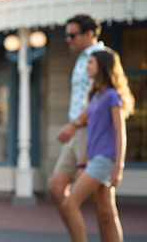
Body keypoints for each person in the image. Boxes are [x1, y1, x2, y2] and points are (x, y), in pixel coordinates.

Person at [61, 49, 134, 242]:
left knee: (70, 204)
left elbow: (120, 133)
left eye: (90, 63)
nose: (87, 66)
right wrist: (82, 164)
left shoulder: (112, 96)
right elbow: (91, 134)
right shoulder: (95, 96)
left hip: (104, 159)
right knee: (106, 212)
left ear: (101, 66)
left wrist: (119, 166)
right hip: (94, 158)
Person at [48, 14, 105, 229]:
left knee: (103, 204)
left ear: (88, 34)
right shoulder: (83, 58)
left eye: (72, 35)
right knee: (56, 187)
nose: (68, 40)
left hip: (91, 132)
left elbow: (102, 98)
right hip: (77, 132)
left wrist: (75, 124)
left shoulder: (101, 57)